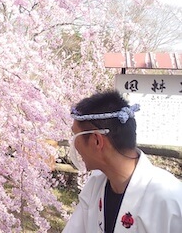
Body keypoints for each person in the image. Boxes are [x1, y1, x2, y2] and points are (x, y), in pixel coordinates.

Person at [63, 90, 182, 233]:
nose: (74, 145)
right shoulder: (95, 185)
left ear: (96, 140)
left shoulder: (169, 198)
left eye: (76, 136)